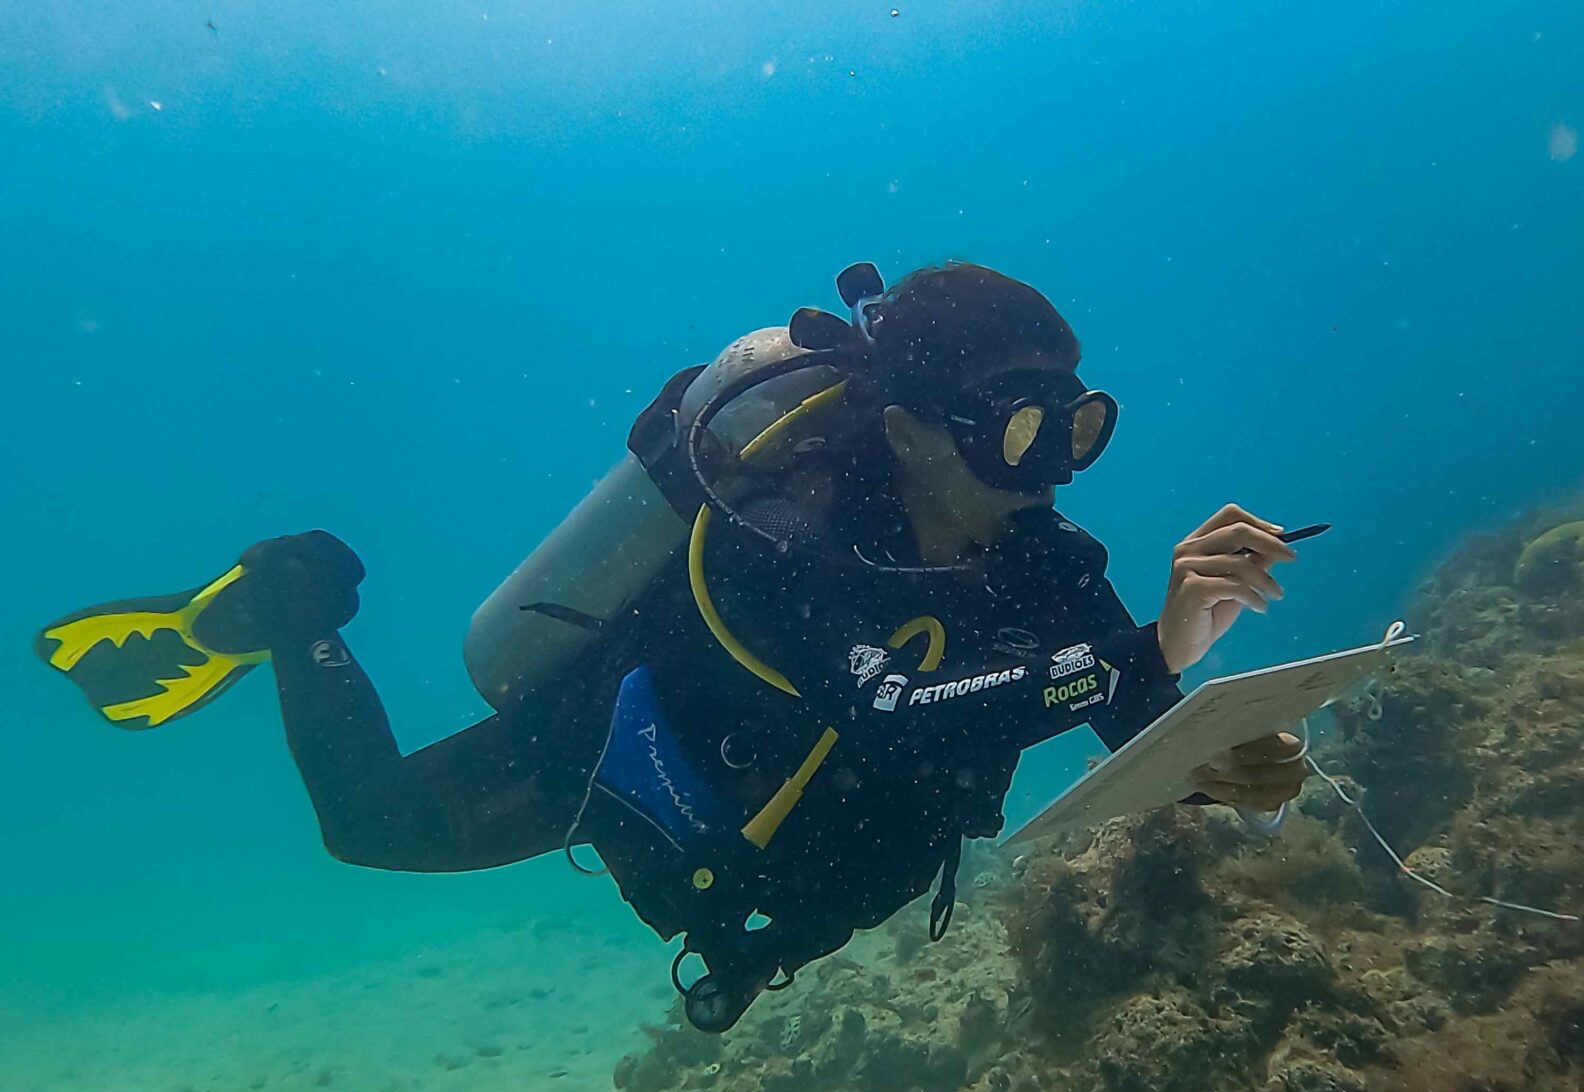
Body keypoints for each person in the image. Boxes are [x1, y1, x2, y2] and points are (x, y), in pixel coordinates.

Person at [38, 263, 1307, 1032]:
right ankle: (296, 611)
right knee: (365, 825)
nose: (1053, 466)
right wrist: (1157, 646)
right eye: (1020, 428)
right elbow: (889, 705)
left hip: (776, 857)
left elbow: (1130, 723)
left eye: (1075, 427)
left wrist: (1226, 766)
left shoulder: (1042, 559)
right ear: (914, 427)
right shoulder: (788, 525)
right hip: (616, 750)